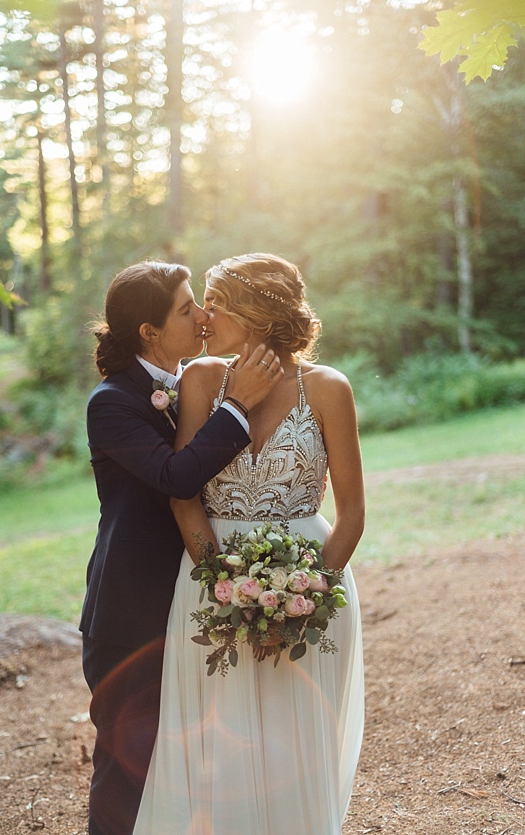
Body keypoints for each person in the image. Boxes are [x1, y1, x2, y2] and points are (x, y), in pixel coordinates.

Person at [132, 253, 365, 834]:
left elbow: (353, 514)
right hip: (209, 580)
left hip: (313, 586)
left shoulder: (329, 389)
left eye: (217, 301)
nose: (205, 314)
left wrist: (305, 598)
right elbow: (183, 495)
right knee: (217, 741)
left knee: (295, 739)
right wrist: (221, 585)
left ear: (256, 313)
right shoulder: (202, 379)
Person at [81, 260, 283, 835]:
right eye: (187, 307)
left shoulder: (198, 380)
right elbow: (176, 478)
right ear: (149, 331)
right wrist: (238, 407)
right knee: (129, 765)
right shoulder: (113, 402)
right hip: (132, 613)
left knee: (194, 760)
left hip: (194, 600)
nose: (203, 315)